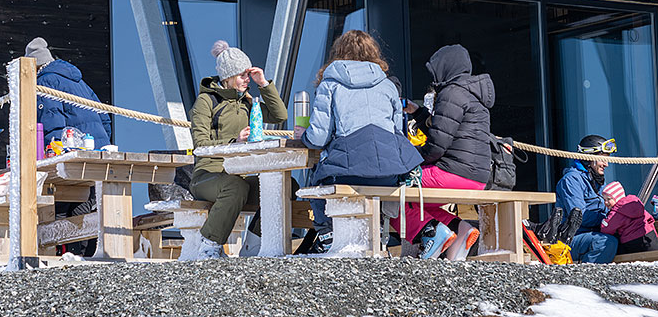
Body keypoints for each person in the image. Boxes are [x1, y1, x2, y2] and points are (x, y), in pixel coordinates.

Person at [295, 30, 423, 255]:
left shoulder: (330, 84)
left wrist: (303, 136)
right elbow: (396, 133)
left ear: (338, 52)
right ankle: (376, 234)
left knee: (316, 179)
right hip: (388, 174)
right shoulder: (387, 86)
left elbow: (318, 138)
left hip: (346, 172)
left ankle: (327, 234)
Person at [189, 40, 288, 259]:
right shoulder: (206, 101)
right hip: (207, 176)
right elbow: (200, 145)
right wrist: (234, 142)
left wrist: (263, 83)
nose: (247, 79)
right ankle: (209, 245)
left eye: (248, 74)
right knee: (235, 186)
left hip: (238, 175)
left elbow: (280, 115)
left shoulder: (247, 102)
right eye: (243, 75)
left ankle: (252, 247)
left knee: (283, 186)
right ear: (228, 76)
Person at [402, 44, 495, 259]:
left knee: (396, 189)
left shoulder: (452, 93)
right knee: (421, 201)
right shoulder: (471, 94)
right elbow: (444, 131)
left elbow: (436, 147)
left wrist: (409, 158)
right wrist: (418, 113)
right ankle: (461, 229)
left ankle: (432, 234)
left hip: (453, 173)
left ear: (446, 67)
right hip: (477, 177)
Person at [26, 37, 112, 145]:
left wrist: (54, 148)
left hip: (75, 148)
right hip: (100, 147)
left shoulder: (45, 81)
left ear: (34, 67)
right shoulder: (80, 82)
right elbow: (104, 118)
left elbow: (51, 121)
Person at [554, 134, 619, 263]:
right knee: (605, 242)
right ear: (589, 157)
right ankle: (586, 274)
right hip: (571, 239)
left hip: (595, 233)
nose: (606, 164)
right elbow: (579, 216)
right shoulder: (571, 180)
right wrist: (608, 220)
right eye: (602, 159)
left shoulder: (597, 180)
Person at [600, 181, 658, 255]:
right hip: (649, 236)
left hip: (632, 242)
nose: (606, 202)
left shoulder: (616, 212)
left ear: (617, 197)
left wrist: (603, 221)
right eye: (604, 200)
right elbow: (650, 219)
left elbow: (606, 229)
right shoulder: (636, 203)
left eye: (608, 199)